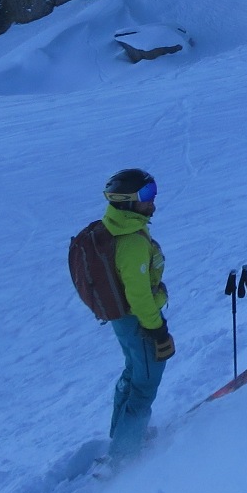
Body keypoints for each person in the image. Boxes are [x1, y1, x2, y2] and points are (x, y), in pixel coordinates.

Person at [98, 168, 173, 464]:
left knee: (133, 373)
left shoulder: (115, 225)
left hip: (123, 320)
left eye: (153, 191)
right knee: (144, 385)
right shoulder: (131, 240)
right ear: (126, 200)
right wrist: (158, 330)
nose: (153, 199)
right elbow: (139, 296)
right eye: (146, 194)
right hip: (138, 322)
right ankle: (122, 457)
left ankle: (124, 436)